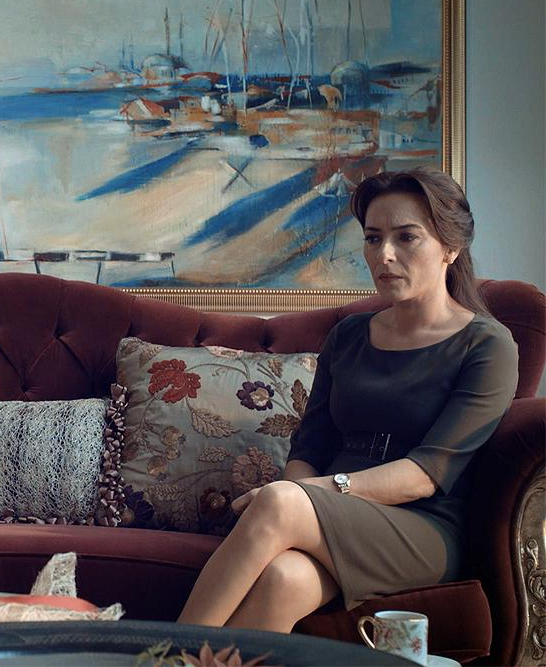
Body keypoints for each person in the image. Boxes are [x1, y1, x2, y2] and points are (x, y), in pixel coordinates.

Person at [177, 167, 518, 632]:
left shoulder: (488, 345)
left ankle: (164, 657)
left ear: (451, 247)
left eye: (406, 237)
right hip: (330, 513)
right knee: (284, 578)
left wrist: (307, 495)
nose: (385, 255)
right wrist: (304, 494)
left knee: (279, 502)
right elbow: (309, 447)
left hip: (424, 527)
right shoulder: (349, 336)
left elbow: (425, 476)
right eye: (373, 238)